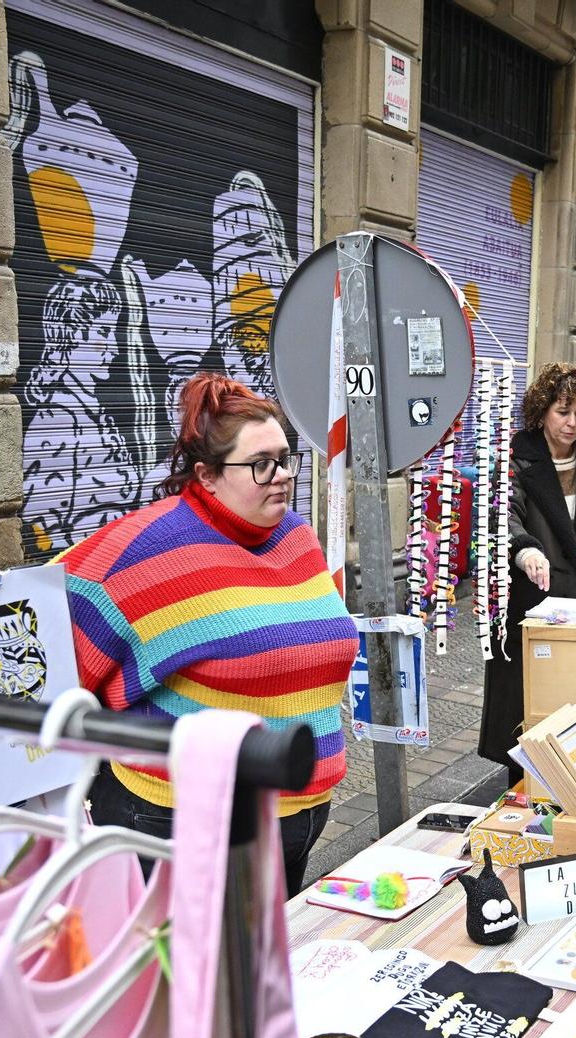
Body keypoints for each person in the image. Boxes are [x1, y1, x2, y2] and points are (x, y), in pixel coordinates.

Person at [64, 372, 358, 892]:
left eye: (285, 459)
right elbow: (47, 634)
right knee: (180, 973)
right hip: (181, 821)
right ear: (207, 475)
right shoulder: (149, 546)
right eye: (260, 464)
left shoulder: (296, 535)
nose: (281, 476)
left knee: (260, 969)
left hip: (298, 811)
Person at [478, 362, 576, 772]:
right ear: (542, 410)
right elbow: (502, 514)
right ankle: (521, 798)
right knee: (529, 711)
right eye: (562, 412)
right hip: (532, 603)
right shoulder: (515, 455)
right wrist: (525, 550)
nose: (571, 423)